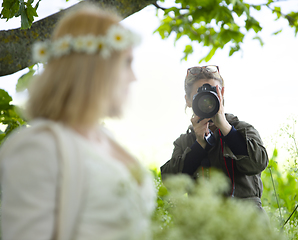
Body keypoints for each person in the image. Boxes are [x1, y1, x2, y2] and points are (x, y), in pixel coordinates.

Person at [0, 4, 156, 240]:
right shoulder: (39, 147)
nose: (134, 78)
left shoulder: (106, 139)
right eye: (126, 63)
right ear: (95, 67)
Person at [160, 65, 269, 209]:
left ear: (222, 93)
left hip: (248, 222)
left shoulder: (242, 129)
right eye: (199, 96)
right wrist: (198, 145)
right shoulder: (185, 142)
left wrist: (226, 128)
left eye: (212, 93)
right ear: (188, 100)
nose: (207, 101)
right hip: (204, 223)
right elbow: (171, 183)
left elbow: (258, 163)